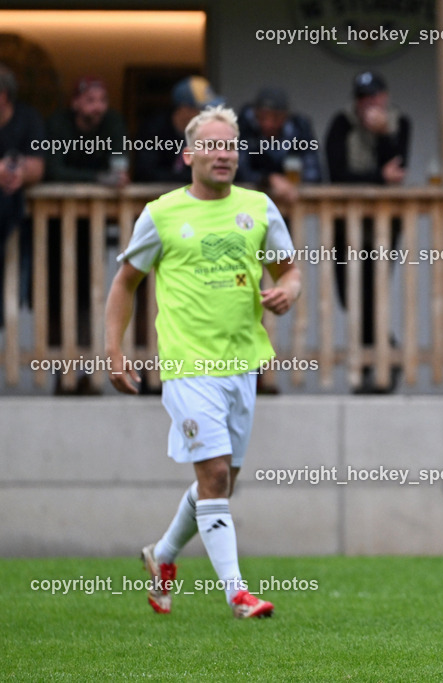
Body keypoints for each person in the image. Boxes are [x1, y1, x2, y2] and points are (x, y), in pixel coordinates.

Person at [104, 105, 301, 618]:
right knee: (213, 475)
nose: (223, 154)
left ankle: (162, 555)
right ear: (188, 154)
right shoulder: (161, 213)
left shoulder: (258, 208)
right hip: (188, 366)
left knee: (222, 482)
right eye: (212, 145)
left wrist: (287, 291)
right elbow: (125, 281)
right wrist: (114, 349)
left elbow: (289, 270)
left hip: (242, 364)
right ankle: (238, 593)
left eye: (231, 145)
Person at [325, 72, 410, 391]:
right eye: (363, 98)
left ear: (385, 97)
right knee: (349, 296)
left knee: (372, 294)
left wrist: (383, 135)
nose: (370, 104)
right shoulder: (341, 124)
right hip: (345, 223)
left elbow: (398, 170)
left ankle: (374, 369)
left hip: (384, 225)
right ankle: (387, 355)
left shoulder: (400, 123)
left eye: (375, 96)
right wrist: (377, 175)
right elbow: (337, 174)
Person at [45, 78, 129, 388]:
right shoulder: (58, 125)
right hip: (54, 227)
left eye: (102, 100)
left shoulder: (113, 123)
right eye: (91, 100)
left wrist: (111, 178)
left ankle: (83, 374)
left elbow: (120, 165)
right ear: (76, 103)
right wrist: (97, 178)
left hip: (92, 227)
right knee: (54, 296)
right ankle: (59, 372)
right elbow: (53, 169)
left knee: (89, 296)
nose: (98, 107)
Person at [0, 63, 46, 326]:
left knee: (18, 292)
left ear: (3, 96)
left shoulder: (28, 119)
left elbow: (37, 166)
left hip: (17, 222)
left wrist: (18, 173)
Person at [237, 86, 321, 209]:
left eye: (275, 117)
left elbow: (314, 172)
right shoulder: (244, 128)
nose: (268, 123)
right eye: (262, 116)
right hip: (250, 207)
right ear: (255, 114)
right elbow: (239, 170)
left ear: (285, 116)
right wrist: (268, 179)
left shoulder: (300, 128)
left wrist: (290, 184)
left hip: (293, 207)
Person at [135, 76, 224, 183]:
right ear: (184, 109)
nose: (208, 115)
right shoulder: (154, 129)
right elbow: (146, 172)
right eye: (203, 109)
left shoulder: (207, 132)